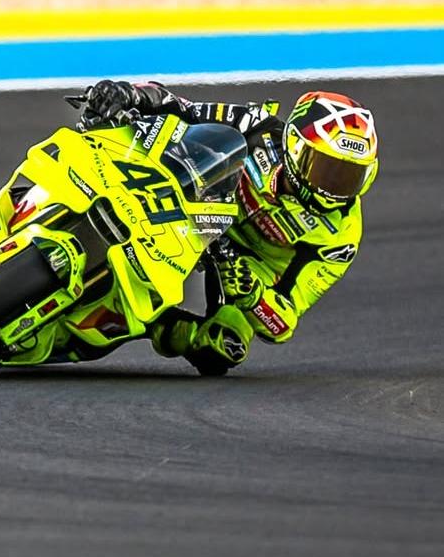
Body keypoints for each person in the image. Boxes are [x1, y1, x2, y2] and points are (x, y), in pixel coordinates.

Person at [76, 80, 377, 375]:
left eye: (350, 176)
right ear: (295, 147)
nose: (333, 187)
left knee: (223, 346)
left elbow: (285, 321)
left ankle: (152, 325)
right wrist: (129, 94)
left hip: (245, 269)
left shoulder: (342, 237)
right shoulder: (257, 126)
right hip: (200, 208)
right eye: (326, 169)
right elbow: (183, 107)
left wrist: (253, 296)